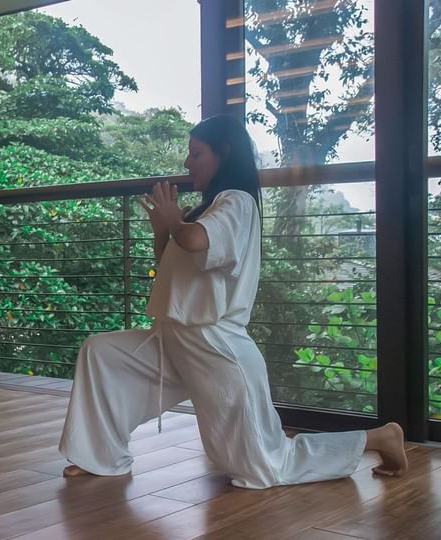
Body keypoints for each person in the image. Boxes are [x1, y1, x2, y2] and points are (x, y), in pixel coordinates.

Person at [58, 114, 407, 489]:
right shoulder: (206, 211)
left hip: (214, 347)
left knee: (265, 466)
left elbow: (195, 241)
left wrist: (175, 223)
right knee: (101, 353)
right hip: (173, 340)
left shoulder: (237, 202)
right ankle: (101, 456)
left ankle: (378, 438)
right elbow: (175, 262)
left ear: (223, 153)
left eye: (196, 153)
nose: (187, 162)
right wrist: (164, 230)